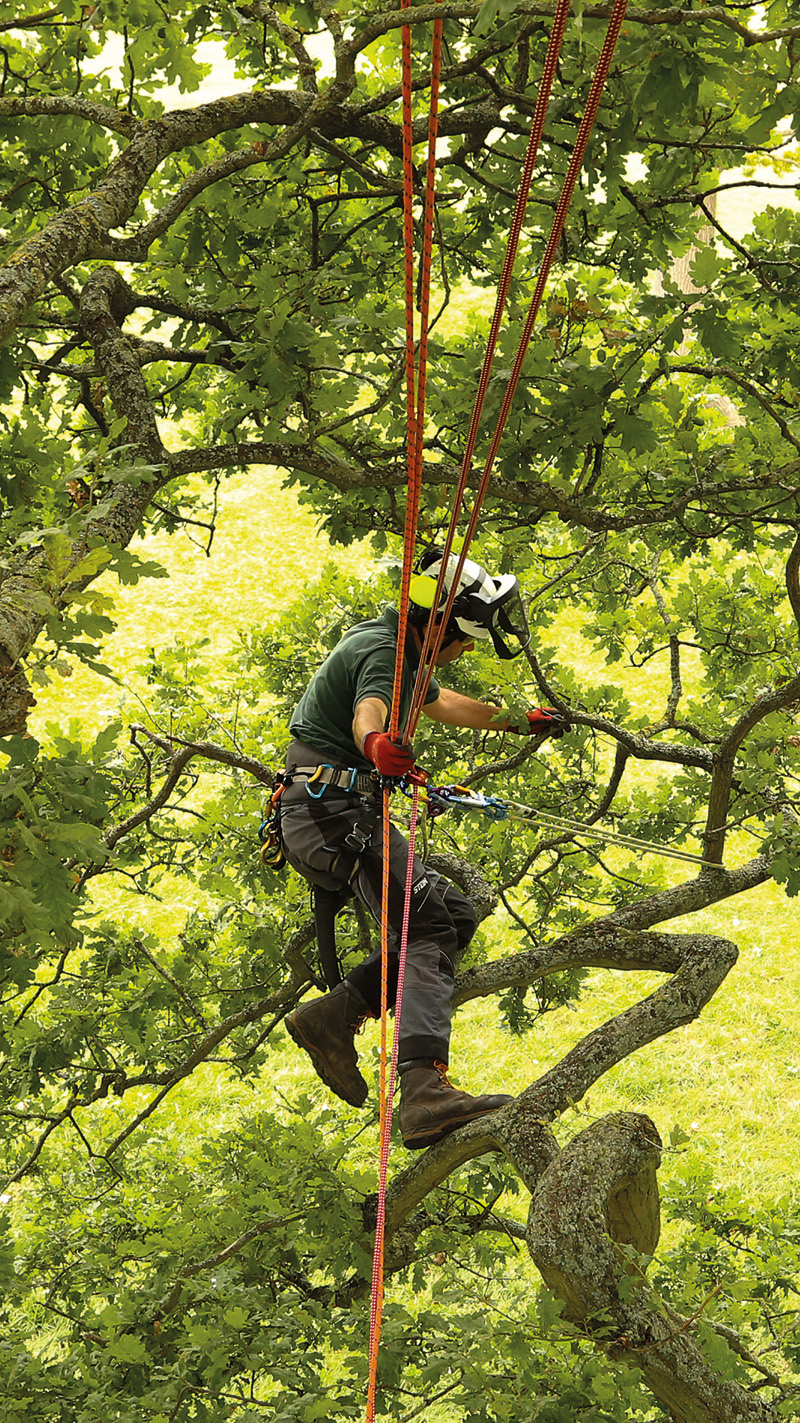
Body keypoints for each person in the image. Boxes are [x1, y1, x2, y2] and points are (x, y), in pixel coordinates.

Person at [281, 548, 568, 1150]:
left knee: (454, 917)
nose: (467, 650)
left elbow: (438, 702)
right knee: (426, 926)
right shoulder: (387, 656)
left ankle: (333, 1016)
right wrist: (377, 742)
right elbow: (371, 711)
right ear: (443, 625)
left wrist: (516, 720)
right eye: (466, 640)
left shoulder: (397, 644)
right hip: (331, 813)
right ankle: (422, 1089)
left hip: (337, 811)